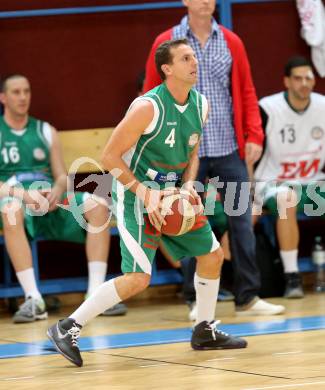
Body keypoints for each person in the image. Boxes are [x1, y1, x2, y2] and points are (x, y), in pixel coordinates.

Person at [47, 39, 247, 368]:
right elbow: (108, 157)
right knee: (139, 278)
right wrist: (144, 193)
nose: (193, 62)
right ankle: (67, 327)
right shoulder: (147, 107)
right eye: (185, 58)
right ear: (167, 69)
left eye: (194, 57)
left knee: (211, 257)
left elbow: (193, 152)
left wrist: (188, 186)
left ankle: (205, 330)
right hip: (134, 195)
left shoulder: (202, 105)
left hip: (172, 196)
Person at [143, 0, 285, 316]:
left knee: (242, 223)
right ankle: (195, 297)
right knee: (187, 219)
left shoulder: (231, 41)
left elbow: (246, 91)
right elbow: (150, 93)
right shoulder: (167, 42)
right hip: (185, 152)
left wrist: (254, 135)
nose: (207, 1)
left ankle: (248, 296)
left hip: (227, 147)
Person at [0, 74, 124, 323]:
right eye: (16, 92)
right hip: (15, 197)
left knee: (98, 205)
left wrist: (57, 190)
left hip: (49, 199)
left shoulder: (45, 130)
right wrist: (24, 194)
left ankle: (95, 296)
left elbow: (61, 176)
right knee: (11, 210)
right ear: (3, 97)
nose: (23, 97)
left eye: (26, 91)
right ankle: (33, 299)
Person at [254, 56, 325, 298]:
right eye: (298, 78)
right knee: (287, 199)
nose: (304, 83)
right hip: (274, 183)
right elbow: (250, 152)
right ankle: (292, 277)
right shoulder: (268, 108)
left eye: (308, 78)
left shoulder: (322, 106)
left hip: (313, 182)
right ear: (286, 81)